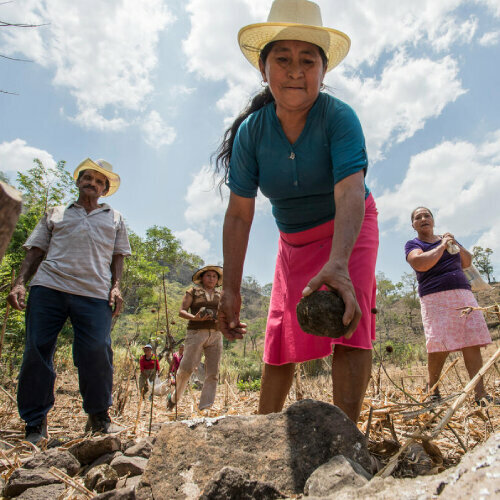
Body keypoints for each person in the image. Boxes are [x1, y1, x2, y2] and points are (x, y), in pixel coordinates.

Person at [216, 0, 379, 423]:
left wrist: (339, 264)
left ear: (323, 73)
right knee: (280, 331)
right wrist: (230, 288)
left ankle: (347, 439)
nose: (295, 70)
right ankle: (261, 431)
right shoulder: (251, 134)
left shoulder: (339, 118)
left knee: (350, 319)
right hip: (293, 241)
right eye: (282, 59)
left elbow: (350, 190)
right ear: (263, 68)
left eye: (308, 60)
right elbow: (238, 214)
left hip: (351, 227)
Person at [7, 158, 131, 444]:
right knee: (37, 351)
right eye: (87, 177)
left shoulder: (115, 218)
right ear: (78, 182)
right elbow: (35, 250)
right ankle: (35, 423)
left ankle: (99, 417)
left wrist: (116, 287)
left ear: (105, 189)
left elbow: (118, 256)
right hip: (49, 287)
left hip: (94, 293)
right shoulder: (56, 212)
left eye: (99, 181)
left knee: (97, 351)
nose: (92, 183)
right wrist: (19, 283)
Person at [405, 207, 495, 405]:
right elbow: (420, 263)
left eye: (426, 215)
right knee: (439, 343)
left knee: (471, 340)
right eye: (418, 217)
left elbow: (467, 261)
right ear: (413, 225)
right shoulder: (414, 244)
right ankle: (433, 391)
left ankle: (480, 394)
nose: (423, 219)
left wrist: (452, 243)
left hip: (463, 294)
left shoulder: (447, 239)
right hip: (435, 297)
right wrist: (442, 246)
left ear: (433, 220)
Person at [167, 266, 223, 411]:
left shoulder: (221, 294)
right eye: (208, 276)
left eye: (214, 276)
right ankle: (175, 397)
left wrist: (221, 320)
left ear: (217, 280)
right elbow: (182, 311)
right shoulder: (193, 291)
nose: (211, 279)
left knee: (213, 372)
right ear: (202, 278)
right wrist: (195, 318)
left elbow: (225, 312)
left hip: (216, 334)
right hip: (196, 332)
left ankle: (206, 406)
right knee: (186, 369)